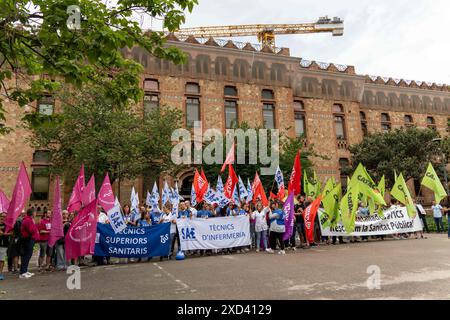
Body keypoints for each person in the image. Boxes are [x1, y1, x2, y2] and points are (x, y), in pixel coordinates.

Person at [19, 208, 40, 279]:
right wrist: (36, 227)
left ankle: (25, 270)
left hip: (30, 239)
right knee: (26, 256)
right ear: (32, 213)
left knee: (28, 255)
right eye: (35, 212)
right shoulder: (28, 220)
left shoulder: (29, 220)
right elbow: (32, 230)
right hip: (28, 240)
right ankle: (22, 273)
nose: (36, 214)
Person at [0, 212, 13, 280]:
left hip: (4, 245)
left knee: (1, 260)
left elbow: (12, 233)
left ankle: (1, 273)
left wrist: (5, 234)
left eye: (5, 216)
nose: (3, 217)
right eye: (2, 216)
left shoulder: (7, 225)